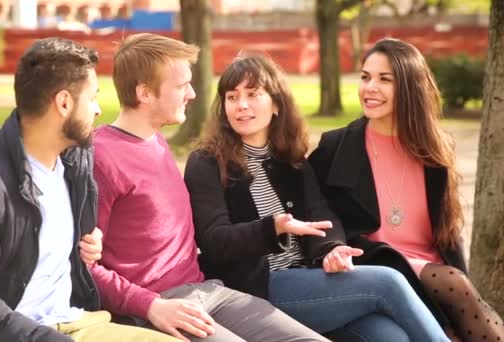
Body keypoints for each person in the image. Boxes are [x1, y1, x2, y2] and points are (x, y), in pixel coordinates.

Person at [0, 37, 176, 342]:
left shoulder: (74, 159)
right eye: (93, 98)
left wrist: (86, 242)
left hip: (73, 320)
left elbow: (45, 242)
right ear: (64, 103)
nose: (98, 110)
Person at [183, 53, 450, 342]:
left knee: (390, 336)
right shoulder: (206, 162)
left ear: (276, 104)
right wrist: (273, 227)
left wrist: (332, 249)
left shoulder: (289, 159)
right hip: (258, 288)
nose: (242, 105)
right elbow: (213, 241)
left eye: (253, 94)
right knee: (388, 281)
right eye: (232, 97)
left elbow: (321, 213)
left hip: (310, 281)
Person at [90, 33, 328, 342]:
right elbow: (84, 267)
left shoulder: (157, 142)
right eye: (181, 86)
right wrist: (150, 306)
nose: (191, 93)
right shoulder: (101, 157)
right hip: (158, 306)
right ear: (145, 93)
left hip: (207, 291)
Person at [308, 38, 504, 342]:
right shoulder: (336, 147)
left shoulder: (434, 149)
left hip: (434, 269)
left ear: (410, 87)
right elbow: (313, 210)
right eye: (365, 76)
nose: (370, 87)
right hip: (379, 266)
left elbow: (447, 232)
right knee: (455, 286)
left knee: (457, 304)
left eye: (385, 79)